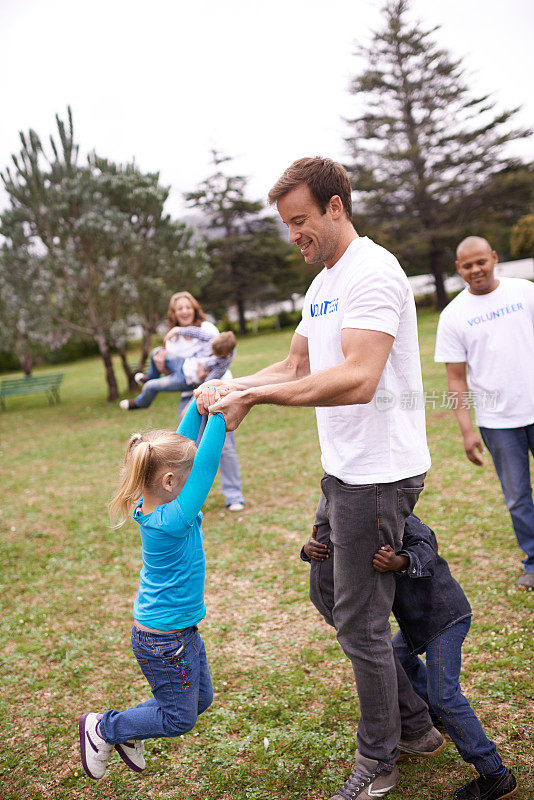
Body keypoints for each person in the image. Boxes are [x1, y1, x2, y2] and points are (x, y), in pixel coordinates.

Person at [197, 157, 431, 799]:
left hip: (379, 475)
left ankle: (383, 757)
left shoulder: (374, 272)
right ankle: (415, 719)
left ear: (335, 207)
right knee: (329, 595)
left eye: (300, 221)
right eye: (285, 224)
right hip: (344, 471)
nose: (293, 234)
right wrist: (236, 384)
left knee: (358, 620)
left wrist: (259, 401)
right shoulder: (324, 282)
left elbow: (359, 378)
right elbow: (298, 361)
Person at [78, 399, 226, 780]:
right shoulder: (173, 519)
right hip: (164, 641)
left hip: (180, 631)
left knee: (201, 700)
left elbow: (179, 448)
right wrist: (223, 416)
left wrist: (199, 404)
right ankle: (105, 729)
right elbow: (207, 466)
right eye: (187, 477)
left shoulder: (156, 502)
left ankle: (132, 731)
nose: (194, 482)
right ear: (171, 482)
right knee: (179, 718)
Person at [372, 520, 518, 800]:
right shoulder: (361, 521)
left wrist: (398, 561)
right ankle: (434, 719)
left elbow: (426, 552)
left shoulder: (404, 519)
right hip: (417, 625)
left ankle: (496, 774)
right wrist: (310, 550)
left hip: (446, 618)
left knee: (446, 696)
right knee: (396, 660)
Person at [301, 507, 446, 763]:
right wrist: (308, 549)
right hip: (349, 601)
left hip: (413, 611)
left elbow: (426, 546)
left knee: (373, 648)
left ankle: (420, 724)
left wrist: (400, 561)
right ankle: (417, 725)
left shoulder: (388, 511)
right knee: (377, 649)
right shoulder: (347, 502)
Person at [434, 237, 534, 590]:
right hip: (498, 423)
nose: (475, 270)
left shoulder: (524, 292)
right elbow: (456, 379)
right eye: (466, 265)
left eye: (481, 262)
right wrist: (466, 430)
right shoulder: (453, 316)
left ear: (494, 258)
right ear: (458, 268)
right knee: (517, 496)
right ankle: (533, 561)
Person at [128, 291, 245, 512]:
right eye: (179, 308)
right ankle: (180, 496)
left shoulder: (207, 329)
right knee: (183, 448)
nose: (184, 311)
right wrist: (162, 367)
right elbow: (177, 374)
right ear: (174, 312)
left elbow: (224, 354)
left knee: (225, 447)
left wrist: (206, 375)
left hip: (216, 390)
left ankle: (234, 496)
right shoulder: (172, 338)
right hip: (189, 394)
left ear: (194, 308)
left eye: (187, 307)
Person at [120, 330, 236, 410]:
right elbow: (196, 332)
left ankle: (140, 403)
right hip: (183, 363)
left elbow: (207, 384)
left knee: (150, 387)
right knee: (156, 352)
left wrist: (191, 404)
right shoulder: (213, 338)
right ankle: (149, 377)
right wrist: (178, 330)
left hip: (186, 380)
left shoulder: (221, 366)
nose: (210, 353)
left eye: (214, 354)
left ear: (226, 355)